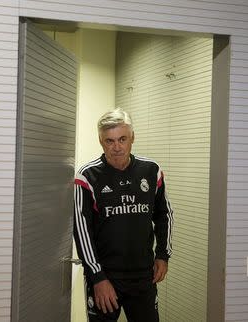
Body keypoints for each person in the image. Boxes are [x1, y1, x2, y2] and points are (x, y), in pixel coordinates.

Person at [74, 108, 174, 322]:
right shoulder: (87, 176)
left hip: (143, 277)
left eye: (122, 139)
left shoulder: (151, 170)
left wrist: (163, 255)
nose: (117, 147)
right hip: (105, 278)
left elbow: (164, 215)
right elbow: (82, 232)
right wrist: (98, 277)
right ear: (101, 141)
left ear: (132, 138)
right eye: (109, 141)